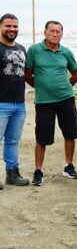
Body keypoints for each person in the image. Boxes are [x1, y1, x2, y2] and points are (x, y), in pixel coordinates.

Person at [25, 21, 77, 186]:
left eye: (58, 32)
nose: (55, 34)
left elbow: (76, 73)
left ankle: (68, 166)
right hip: (44, 102)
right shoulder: (34, 50)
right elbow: (27, 74)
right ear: (45, 32)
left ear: (61, 34)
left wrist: (64, 87)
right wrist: (41, 86)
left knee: (70, 134)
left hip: (66, 99)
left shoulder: (66, 52)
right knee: (42, 137)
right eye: (52, 31)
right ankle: (38, 170)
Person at [0, 13, 29, 188]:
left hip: (19, 103)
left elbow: (26, 74)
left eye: (15, 26)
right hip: (0, 103)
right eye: (8, 26)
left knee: (12, 141)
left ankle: (12, 173)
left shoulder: (21, 49)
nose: (12, 29)